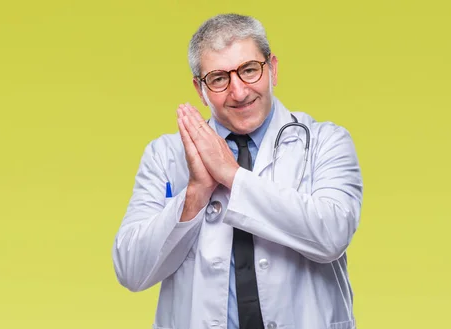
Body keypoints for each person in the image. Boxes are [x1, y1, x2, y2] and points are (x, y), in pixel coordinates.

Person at [111, 13, 363, 329]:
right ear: (199, 89)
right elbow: (131, 271)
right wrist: (195, 194)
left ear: (272, 69)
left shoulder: (326, 141)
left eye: (249, 70)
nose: (239, 92)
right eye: (218, 78)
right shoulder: (164, 155)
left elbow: (332, 235)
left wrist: (231, 175)